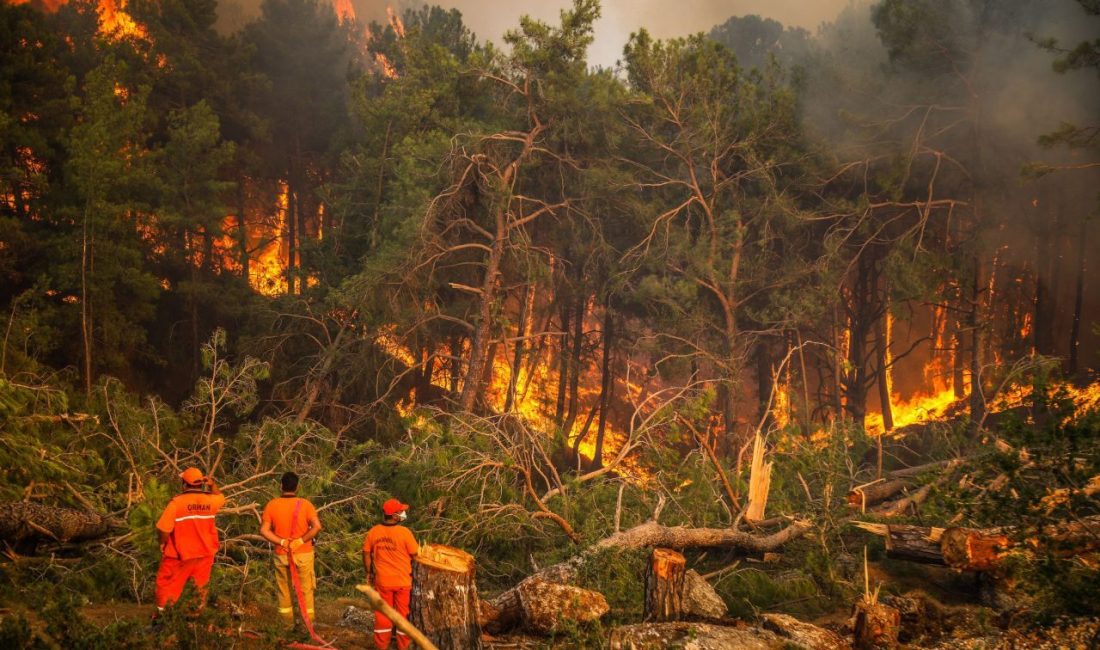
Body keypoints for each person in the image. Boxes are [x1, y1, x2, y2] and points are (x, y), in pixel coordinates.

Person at [154, 467, 225, 616]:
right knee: (199, 588)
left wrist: (162, 543)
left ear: (184, 484)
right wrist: (212, 485)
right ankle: (193, 621)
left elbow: (164, 529)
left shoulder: (176, 503)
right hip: (204, 554)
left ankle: (162, 620)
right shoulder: (211, 501)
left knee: (166, 585)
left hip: (180, 555)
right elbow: (221, 497)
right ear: (201, 484)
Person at [260, 471, 323, 626]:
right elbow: (316, 527)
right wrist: (300, 541)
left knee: (284, 591)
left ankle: (286, 626)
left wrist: (282, 542)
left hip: (282, 554)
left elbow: (264, 530)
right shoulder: (306, 505)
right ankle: (307, 627)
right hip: (304, 554)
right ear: (298, 487)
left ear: (280, 486)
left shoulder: (272, 505)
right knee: (305, 591)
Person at [363, 498, 419, 650]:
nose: (403, 513)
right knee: (403, 616)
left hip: (383, 582)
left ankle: (381, 646)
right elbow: (415, 554)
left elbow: (366, 552)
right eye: (401, 511)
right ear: (394, 516)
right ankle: (403, 647)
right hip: (403, 582)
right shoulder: (405, 533)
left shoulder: (374, 531)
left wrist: (369, 572)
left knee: (383, 616)